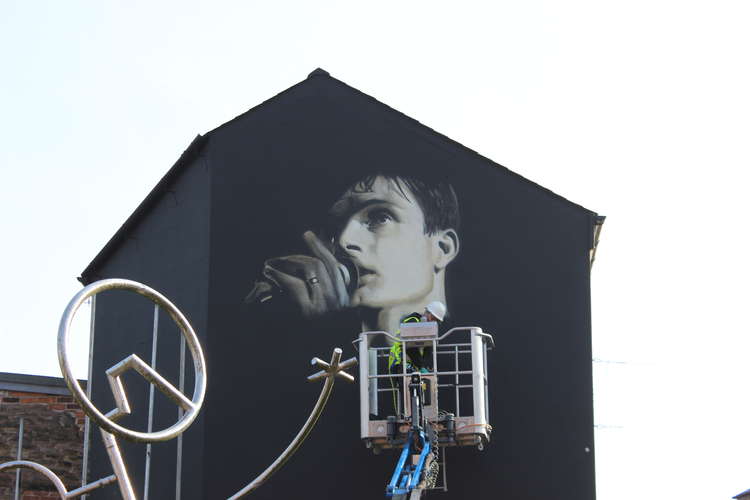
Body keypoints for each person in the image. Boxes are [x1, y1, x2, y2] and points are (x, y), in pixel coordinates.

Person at [246, 173, 460, 335]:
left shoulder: (468, 356)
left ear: (443, 249)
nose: (343, 240)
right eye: (336, 226)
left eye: (380, 217)